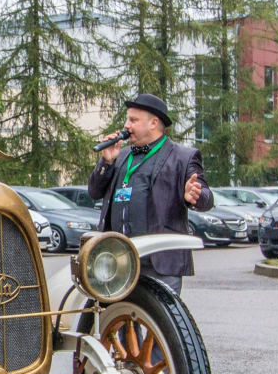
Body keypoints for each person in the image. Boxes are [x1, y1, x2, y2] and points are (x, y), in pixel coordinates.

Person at [87, 94, 213, 296]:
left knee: (163, 325)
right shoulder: (121, 155)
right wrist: (107, 162)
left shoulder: (182, 156)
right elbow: (94, 192)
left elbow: (206, 198)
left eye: (134, 120)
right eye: (127, 119)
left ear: (154, 123)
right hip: (120, 261)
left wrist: (194, 196)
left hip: (160, 262)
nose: (126, 125)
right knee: (122, 322)